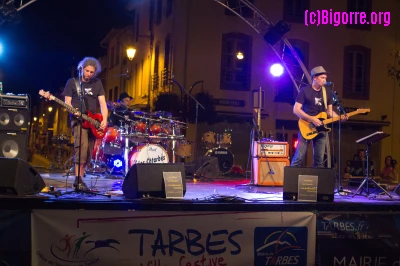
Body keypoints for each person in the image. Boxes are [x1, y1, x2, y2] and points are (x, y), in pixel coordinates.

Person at [63, 57, 108, 190]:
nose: (89, 74)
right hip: (78, 121)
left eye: (92, 72)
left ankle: (80, 180)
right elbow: (67, 103)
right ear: (82, 69)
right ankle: (77, 180)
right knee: (81, 149)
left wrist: (104, 119)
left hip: (93, 122)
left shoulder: (97, 83)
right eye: (87, 71)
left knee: (88, 152)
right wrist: (73, 111)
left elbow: (102, 104)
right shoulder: (72, 83)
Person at [291, 66, 348, 167]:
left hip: (321, 128)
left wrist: (340, 117)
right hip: (307, 126)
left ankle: (317, 182)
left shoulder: (328, 92)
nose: (325, 80)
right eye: (322, 77)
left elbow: (330, 112)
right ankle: (290, 181)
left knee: (319, 161)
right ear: (315, 78)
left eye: (325, 78)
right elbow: (296, 109)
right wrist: (312, 119)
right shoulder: (305, 91)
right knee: (299, 157)